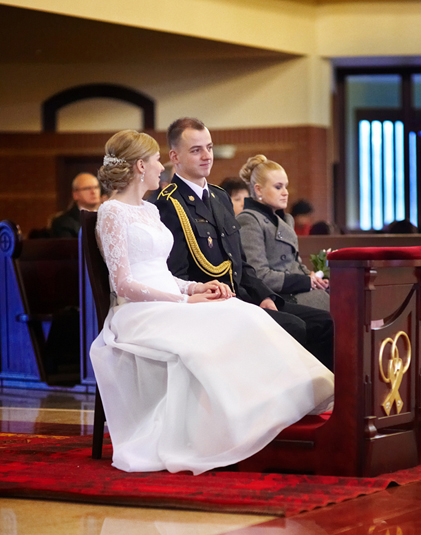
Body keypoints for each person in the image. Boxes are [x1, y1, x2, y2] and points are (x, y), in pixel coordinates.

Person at [90, 129, 333, 474]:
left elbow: (161, 272)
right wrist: (182, 300)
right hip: (139, 312)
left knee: (244, 315)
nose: (160, 166)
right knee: (227, 323)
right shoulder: (112, 212)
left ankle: (266, 409)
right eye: (156, 160)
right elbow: (124, 284)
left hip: (168, 301)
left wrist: (196, 288)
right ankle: (227, 425)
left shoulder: (149, 210)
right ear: (140, 166)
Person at [151, 117, 333, 368]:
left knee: (325, 323)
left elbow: (241, 263)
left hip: (242, 296)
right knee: (294, 327)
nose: (206, 156)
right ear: (175, 156)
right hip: (212, 305)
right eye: (196, 150)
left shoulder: (219, 197)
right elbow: (177, 274)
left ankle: (323, 393)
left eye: (209, 147)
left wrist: (264, 296)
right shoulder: (168, 204)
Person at [237, 154, 330, 312]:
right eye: (278, 187)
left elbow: (294, 264)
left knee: (341, 298)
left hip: (294, 290)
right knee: (331, 310)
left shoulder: (285, 219)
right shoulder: (249, 220)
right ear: (258, 189)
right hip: (276, 297)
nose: (285, 192)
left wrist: (313, 278)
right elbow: (258, 275)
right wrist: (305, 282)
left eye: (285, 186)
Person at [50, 172, 101, 237]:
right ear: (75, 195)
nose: (93, 192)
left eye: (96, 187)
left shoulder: (108, 216)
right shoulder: (64, 223)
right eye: (87, 188)